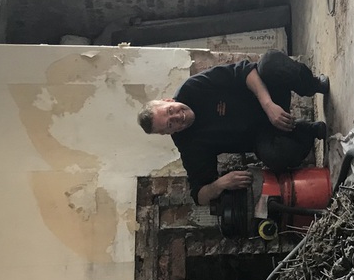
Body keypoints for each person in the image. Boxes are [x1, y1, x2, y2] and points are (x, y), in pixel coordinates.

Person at [138, 50, 329, 205]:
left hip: (267, 95)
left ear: (168, 101)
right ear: (168, 133)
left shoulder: (192, 88)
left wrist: (269, 105)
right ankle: (309, 131)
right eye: (170, 124)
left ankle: (313, 85)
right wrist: (220, 184)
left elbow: (244, 71)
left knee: (270, 62)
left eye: (170, 110)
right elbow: (199, 195)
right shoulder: (188, 144)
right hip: (262, 135)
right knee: (274, 156)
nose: (178, 116)